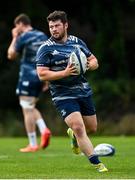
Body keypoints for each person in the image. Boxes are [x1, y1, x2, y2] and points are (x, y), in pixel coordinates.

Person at [36, 10, 108, 172]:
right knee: (78, 127)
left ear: (66, 25)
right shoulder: (45, 49)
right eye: (51, 26)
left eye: (57, 26)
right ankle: (98, 164)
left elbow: (93, 60)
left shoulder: (77, 42)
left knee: (92, 128)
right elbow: (41, 74)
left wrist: (90, 65)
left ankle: (74, 137)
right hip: (62, 94)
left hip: (83, 90)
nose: (54, 29)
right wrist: (64, 73)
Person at [7, 13, 51, 153]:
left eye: (16, 26)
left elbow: (11, 55)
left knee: (26, 109)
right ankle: (44, 129)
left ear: (20, 24)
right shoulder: (43, 36)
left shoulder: (24, 36)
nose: (16, 28)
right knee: (31, 106)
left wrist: (14, 37)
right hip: (41, 76)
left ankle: (32, 144)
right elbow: (48, 57)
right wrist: (47, 79)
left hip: (27, 77)